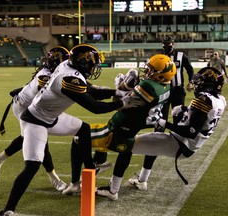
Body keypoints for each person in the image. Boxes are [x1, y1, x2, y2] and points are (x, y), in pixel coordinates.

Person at [0, 44, 138, 216]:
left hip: (51, 116)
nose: (94, 67)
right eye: (92, 64)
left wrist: (115, 92)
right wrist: (121, 104)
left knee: (83, 129)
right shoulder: (69, 79)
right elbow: (94, 106)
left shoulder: (67, 67)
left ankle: (90, 167)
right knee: (32, 166)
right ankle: (8, 210)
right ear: (82, 63)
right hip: (35, 121)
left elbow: (90, 90)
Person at [62, 53, 176, 199]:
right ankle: (113, 189)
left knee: (79, 137)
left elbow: (120, 103)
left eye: (151, 70)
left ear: (160, 76)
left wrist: (122, 84)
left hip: (117, 129)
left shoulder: (148, 86)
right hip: (131, 129)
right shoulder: (165, 88)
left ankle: (81, 178)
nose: (147, 71)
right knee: (124, 151)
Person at [128, 67, 226, 192]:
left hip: (180, 143)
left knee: (128, 143)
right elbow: (207, 116)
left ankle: (112, 188)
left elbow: (190, 132)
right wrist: (185, 109)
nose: (197, 84)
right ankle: (142, 181)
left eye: (201, 81)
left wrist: (165, 123)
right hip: (187, 145)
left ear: (209, 84)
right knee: (153, 143)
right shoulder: (221, 100)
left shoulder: (204, 100)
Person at [0, 46, 70, 192]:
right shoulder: (46, 74)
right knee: (40, 139)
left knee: (27, 137)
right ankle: (54, 179)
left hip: (30, 105)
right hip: (24, 107)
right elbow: (47, 89)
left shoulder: (50, 72)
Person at [62, 67, 140, 195]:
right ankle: (101, 166)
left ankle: (78, 181)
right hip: (126, 137)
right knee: (98, 134)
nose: (147, 71)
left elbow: (99, 107)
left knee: (78, 137)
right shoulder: (155, 91)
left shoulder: (142, 94)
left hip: (115, 132)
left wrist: (120, 91)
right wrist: (118, 90)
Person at [136, 35, 195, 184]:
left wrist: (191, 82)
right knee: (160, 122)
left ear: (173, 44)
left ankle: (177, 144)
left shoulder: (181, 56)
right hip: (165, 89)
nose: (167, 46)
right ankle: (160, 136)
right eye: (165, 44)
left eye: (169, 44)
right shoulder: (159, 57)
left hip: (177, 90)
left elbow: (190, 69)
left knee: (178, 121)